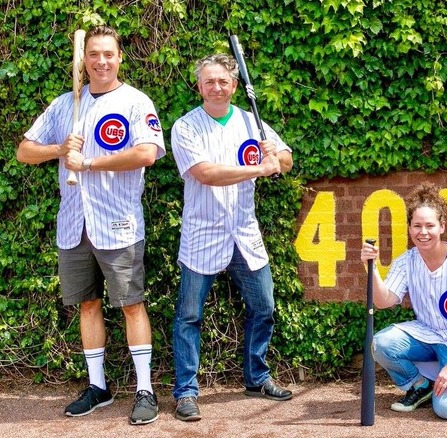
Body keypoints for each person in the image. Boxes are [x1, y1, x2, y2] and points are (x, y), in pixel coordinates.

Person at [16, 25, 165, 425]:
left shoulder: (135, 101)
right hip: (74, 226)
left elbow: (148, 153)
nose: (101, 61)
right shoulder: (66, 103)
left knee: (131, 305)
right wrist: (58, 150)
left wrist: (90, 163)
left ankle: (145, 389)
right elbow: (24, 151)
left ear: (120, 58)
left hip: (118, 223)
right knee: (87, 303)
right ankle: (98, 387)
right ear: (84, 60)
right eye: (94, 54)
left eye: (108, 54)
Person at [170, 54, 294, 422]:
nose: (217, 87)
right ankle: (186, 393)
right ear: (199, 86)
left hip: (244, 232)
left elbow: (285, 159)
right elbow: (205, 173)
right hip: (202, 232)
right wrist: (260, 167)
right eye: (209, 81)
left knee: (265, 307)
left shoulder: (250, 121)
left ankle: (256, 378)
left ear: (235, 85)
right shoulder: (186, 126)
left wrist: (278, 156)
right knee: (189, 316)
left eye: (223, 81)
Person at [359, 182, 447, 420]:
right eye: (417, 226)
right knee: (380, 344)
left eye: (430, 225)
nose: (423, 232)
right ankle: (420, 385)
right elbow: (384, 301)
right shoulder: (406, 261)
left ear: (442, 227)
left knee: (446, 409)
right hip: (429, 333)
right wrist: (370, 268)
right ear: (410, 228)